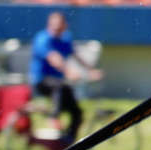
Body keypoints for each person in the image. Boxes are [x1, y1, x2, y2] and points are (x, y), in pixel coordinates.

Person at [30, 11, 103, 143]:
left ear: (65, 26)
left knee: (77, 112)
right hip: (42, 81)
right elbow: (54, 58)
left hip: (59, 83)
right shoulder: (42, 38)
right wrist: (68, 71)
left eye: (59, 27)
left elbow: (76, 56)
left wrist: (91, 70)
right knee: (59, 86)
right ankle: (53, 118)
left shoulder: (65, 38)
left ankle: (68, 141)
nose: (56, 30)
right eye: (53, 26)